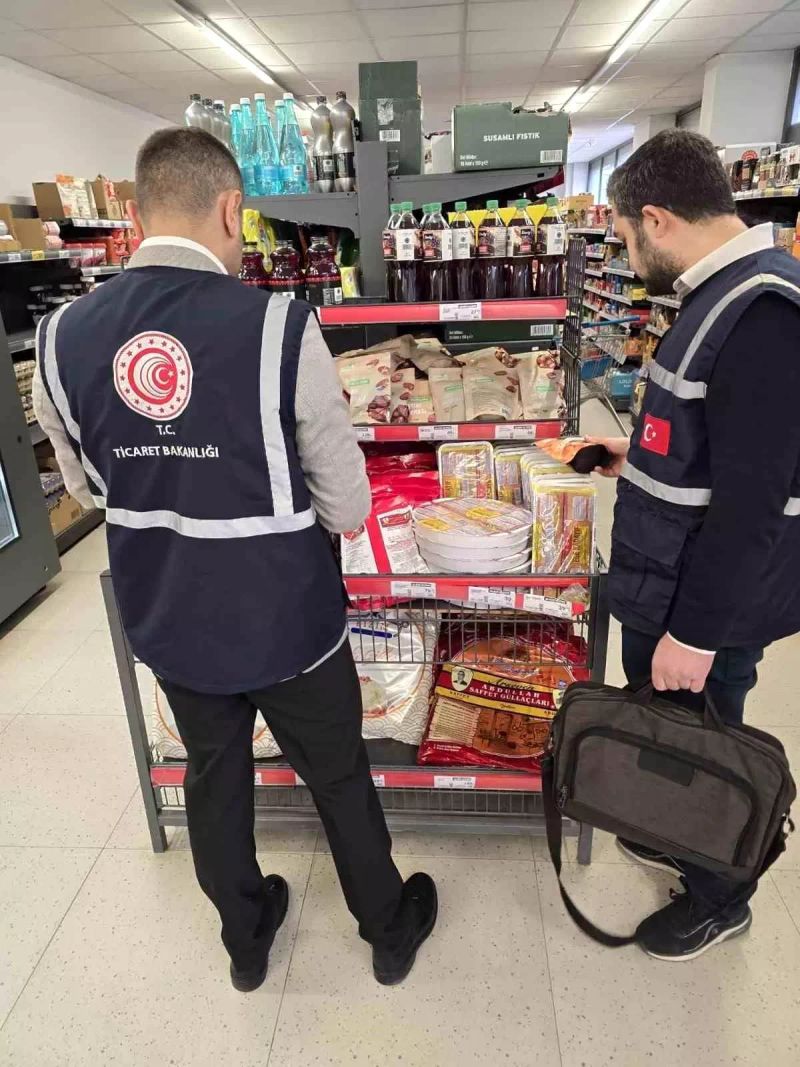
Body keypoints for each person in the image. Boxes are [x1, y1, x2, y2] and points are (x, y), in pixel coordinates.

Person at [32, 127, 436, 991]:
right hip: (287, 618)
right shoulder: (281, 328)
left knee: (214, 778)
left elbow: (89, 485)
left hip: (170, 614)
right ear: (230, 209)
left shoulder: (61, 339)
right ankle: (387, 926)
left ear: (137, 214)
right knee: (337, 773)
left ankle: (246, 939)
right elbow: (347, 502)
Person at [591, 129, 800, 961]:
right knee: (672, 733)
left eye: (623, 239)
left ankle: (722, 895)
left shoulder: (763, 313)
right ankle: (677, 834)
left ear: (656, 218)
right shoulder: (721, 291)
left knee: (709, 746)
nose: (626, 253)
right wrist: (627, 455)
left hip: (702, 603)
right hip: (666, 581)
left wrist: (698, 633)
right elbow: (708, 445)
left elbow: (754, 502)